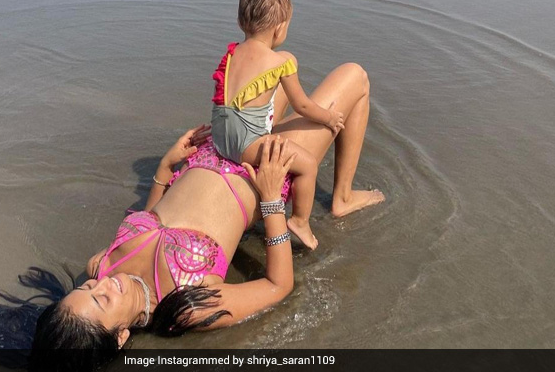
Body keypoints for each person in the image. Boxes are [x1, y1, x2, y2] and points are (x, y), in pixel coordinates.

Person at [31, 61, 384, 369]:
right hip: (263, 173)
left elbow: (148, 219)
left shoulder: (102, 265)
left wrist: (164, 168)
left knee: (275, 69)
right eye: (103, 298)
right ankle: (341, 198)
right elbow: (277, 286)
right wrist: (271, 199)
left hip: (217, 150)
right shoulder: (187, 309)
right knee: (354, 76)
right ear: (121, 336)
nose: (103, 283)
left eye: (88, 287)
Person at [211, 0, 344, 249]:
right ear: (280, 28)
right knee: (308, 165)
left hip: (220, 139)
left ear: (240, 22)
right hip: (247, 144)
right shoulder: (281, 61)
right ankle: (299, 221)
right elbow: (302, 105)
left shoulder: (232, 54)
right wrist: (329, 118)